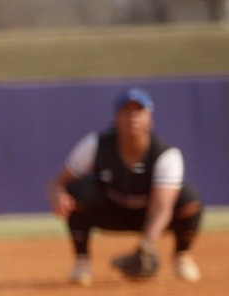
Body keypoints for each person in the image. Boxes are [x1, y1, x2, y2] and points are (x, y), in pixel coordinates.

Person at [48, 88, 205, 285]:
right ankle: (82, 262)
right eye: (126, 111)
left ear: (150, 119)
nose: (133, 117)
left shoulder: (166, 155)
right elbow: (57, 182)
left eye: (139, 111)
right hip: (112, 211)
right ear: (116, 118)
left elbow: (162, 207)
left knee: (189, 200)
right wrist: (57, 195)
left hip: (147, 214)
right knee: (77, 192)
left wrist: (146, 245)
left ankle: (182, 256)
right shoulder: (96, 145)